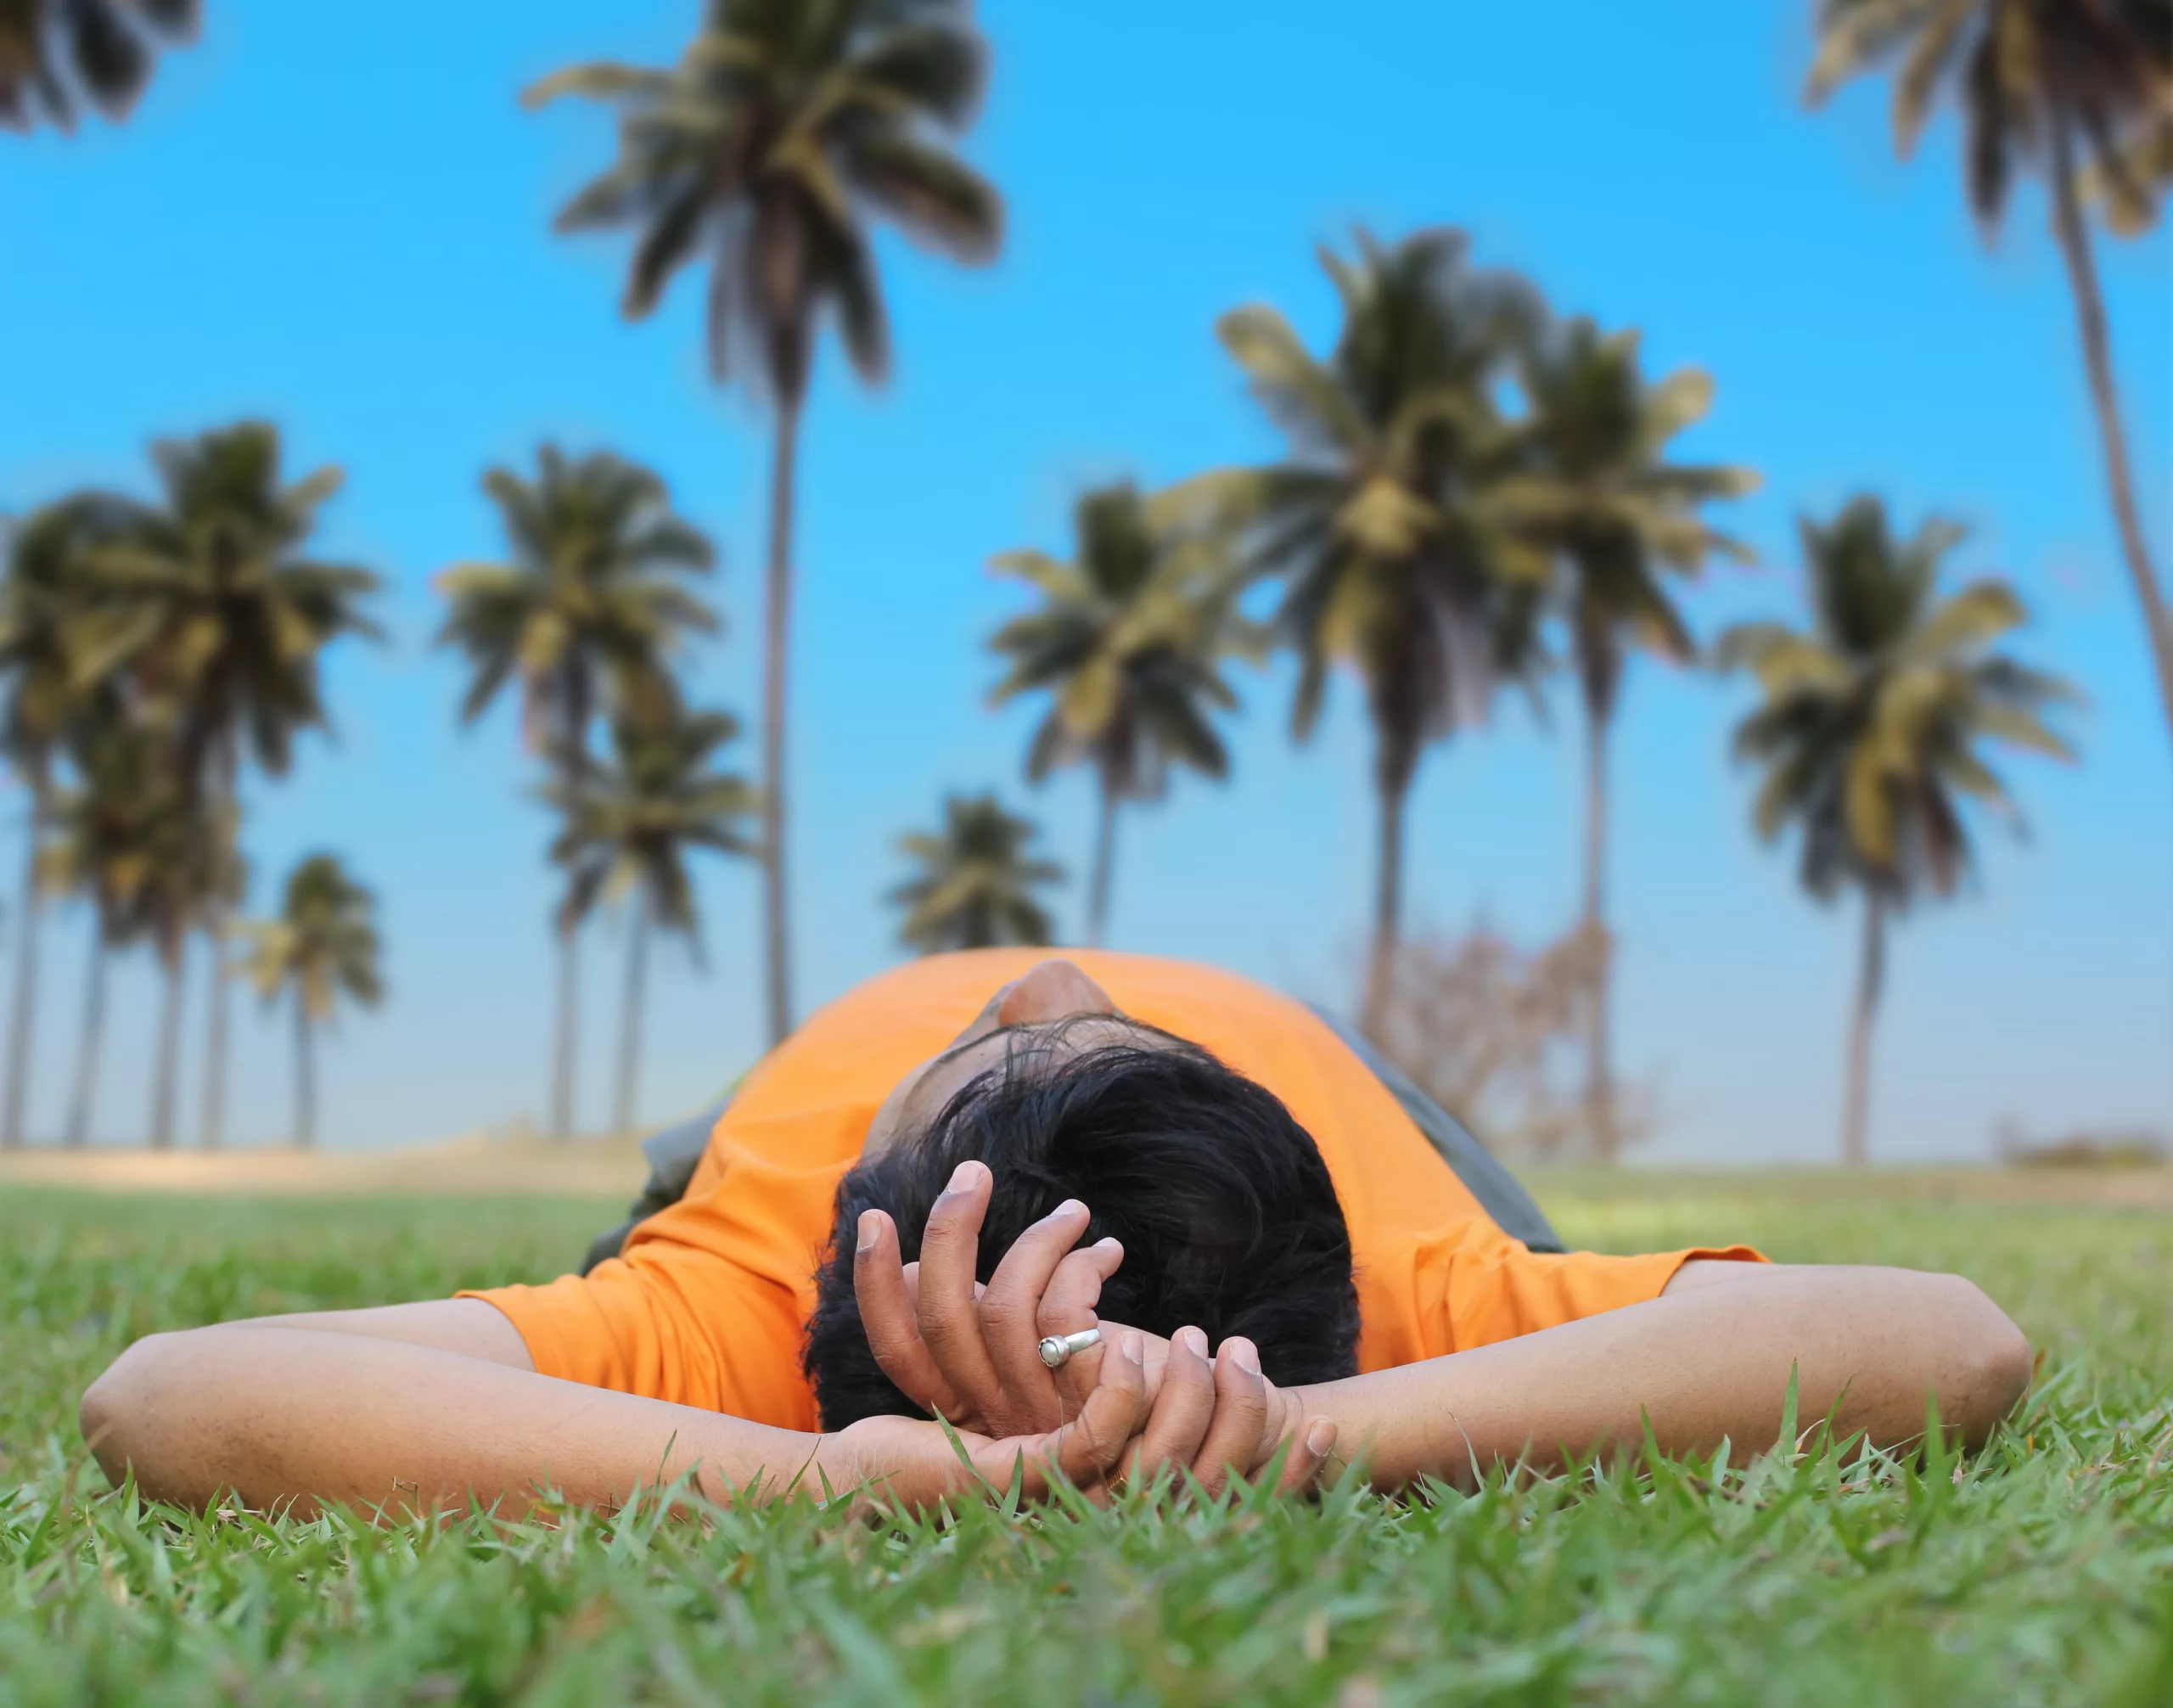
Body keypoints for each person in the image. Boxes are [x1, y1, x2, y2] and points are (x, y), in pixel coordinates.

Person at [79, 952, 2032, 1519]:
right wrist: (1287, 1426)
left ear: (857, 1243)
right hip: (1331, 1138)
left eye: (1003, 1036)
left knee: (656, 1196)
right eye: (1052, 1021)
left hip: (899, 1249)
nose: (1042, 967)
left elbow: (172, 1397)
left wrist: (843, 1474)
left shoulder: (733, 1295)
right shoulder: (1422, 1288)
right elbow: (1944, 1342)